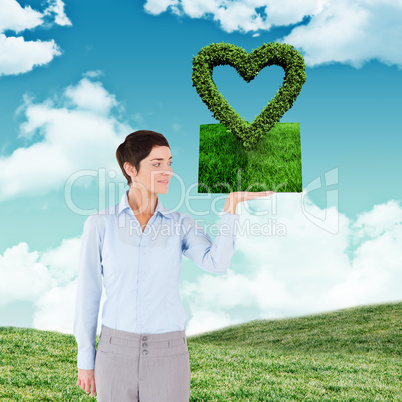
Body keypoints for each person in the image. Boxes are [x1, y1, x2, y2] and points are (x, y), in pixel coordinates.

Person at [73, 130, 273, 401]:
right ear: (130, 169)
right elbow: (88, 294)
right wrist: (86, 358)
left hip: (169, 354)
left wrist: (231, 206)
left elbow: (218, 263)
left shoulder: (180, 223)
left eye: (169, 162)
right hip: (113, 352)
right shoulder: (100, 224)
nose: (167, 170)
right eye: (157, 164)